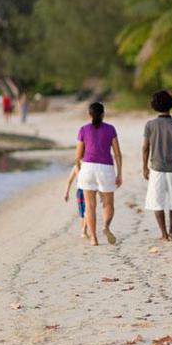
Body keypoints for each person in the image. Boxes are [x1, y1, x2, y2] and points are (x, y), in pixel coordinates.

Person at [75, 102, 122, 246]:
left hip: (88, 168)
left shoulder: (83, 129)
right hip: (106, 169)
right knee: (108, 204)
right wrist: (119, 173)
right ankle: (106, 226)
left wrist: (79, 169)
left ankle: (93, 238)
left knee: (90, 206)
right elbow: (117, 154)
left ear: (89, 114)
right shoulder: (110, 129)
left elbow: (78, 156)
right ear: (103, 114)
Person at [142, 90, 172, 241]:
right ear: (171, 105)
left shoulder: (150, 125)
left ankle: (164, 234)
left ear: (154, 105)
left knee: (157, 201)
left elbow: (145, 148)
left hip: (156, 168)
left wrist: (144, 167)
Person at [63, 164, 88, 239]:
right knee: (88, 210)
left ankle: (83, 232)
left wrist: (66, 192)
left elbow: (69, 181)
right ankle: (84, 231)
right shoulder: (88, 165)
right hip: (88, 190)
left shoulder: (76, 167)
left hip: (80, 191)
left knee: (82, 212)